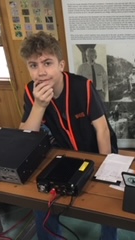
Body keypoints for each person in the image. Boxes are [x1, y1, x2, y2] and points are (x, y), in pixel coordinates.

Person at [19, 31, 118, 240]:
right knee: (42, 198)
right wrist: (39, 106)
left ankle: (108, 236)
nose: (41, 72)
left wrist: (104, 167)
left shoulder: (83, 87)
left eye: (47, 63)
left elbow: (102, 130)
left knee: (107, 201)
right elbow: (25, 138)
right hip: (64, 155)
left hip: (98, 151)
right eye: (33, 65)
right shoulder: (31, 91)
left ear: (61, 65)